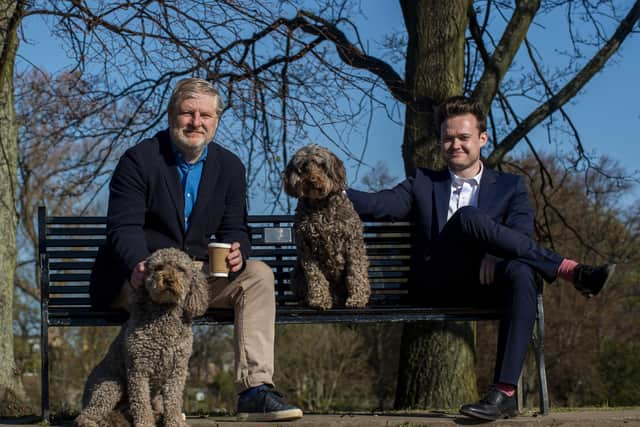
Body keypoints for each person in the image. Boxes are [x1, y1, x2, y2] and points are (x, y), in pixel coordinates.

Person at [347, 95, 615, 421]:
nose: (455, 144)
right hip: (437, 284)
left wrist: (492, 251)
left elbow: (520, 235)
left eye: (463, 137)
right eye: (448, 138)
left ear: (482, 139)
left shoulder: (509, 186)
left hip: (487, 285)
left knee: (522, 272)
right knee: (467, 217)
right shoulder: (422, 182)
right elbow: (379, 205)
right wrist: (331, 188)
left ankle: (503, 393)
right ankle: (571, 270)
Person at [89, 78, 303, 422]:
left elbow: (236, 228)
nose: (196, 122)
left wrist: (239, 250)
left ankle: (254, 389)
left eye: (205, 114)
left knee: (258, 275)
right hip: (139, 276)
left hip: (194, 278)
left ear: (216, 120)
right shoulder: (138, 160)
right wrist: (139, 265)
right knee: (160, 299)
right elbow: (123, 228)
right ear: (172, 114)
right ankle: (150, 402)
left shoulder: (230, 166)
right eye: (188, 112)